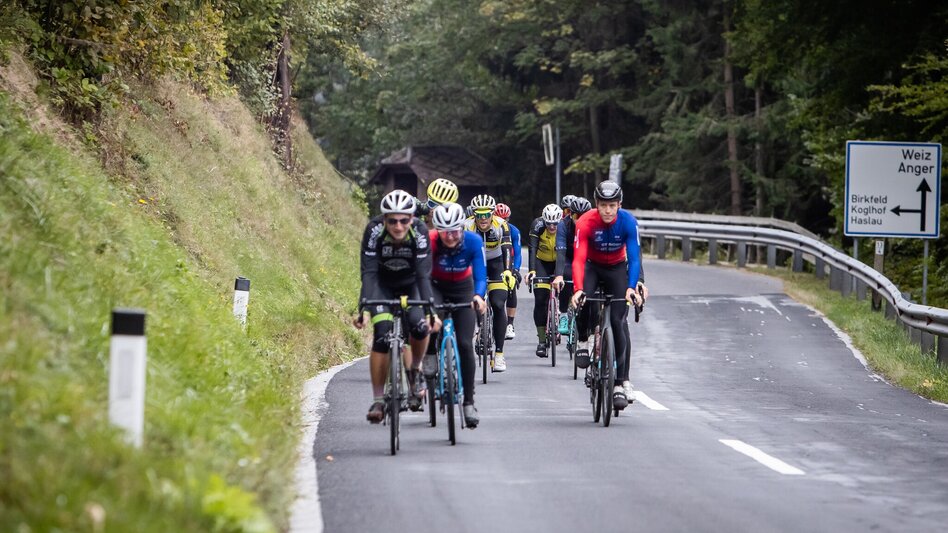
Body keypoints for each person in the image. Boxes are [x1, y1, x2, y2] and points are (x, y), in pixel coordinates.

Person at [354, 189, 434, 423]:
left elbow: (423, 275)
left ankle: (415, 370)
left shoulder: (420, 232)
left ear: (412, 219)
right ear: (384, 220)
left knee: (420, 327)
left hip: (412, 285)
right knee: (381, 336)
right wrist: (364, 308)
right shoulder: (374, 230)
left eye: (404, 220)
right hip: (382, 285)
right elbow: (368, 273)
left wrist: (430, 311)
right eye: (392, 221)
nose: (398, 226)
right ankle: (378, 400)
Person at [570, 181, 645, 410]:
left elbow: (634, 258)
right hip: (592, 266)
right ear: (597, 204)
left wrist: (632, 287)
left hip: (616, 268)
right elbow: (579, 259)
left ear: (619, 205)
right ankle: (583, 339)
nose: (608, 210)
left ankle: (620, 383)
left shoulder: (628, 222)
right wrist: (578, 289)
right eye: (603, 205)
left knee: (618, 322)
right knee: (584, 301)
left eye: (612, 205)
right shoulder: (585, 222)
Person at [427, 202, 488, 427]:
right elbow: (422, 276)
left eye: (455, 231)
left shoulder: (473, 241)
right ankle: (431, 353)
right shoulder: (431, 241)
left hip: (463, 288)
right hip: (436, 287)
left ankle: (469, 403)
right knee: (433, 322)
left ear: (462, 228)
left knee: (464, 344)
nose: (450, 237)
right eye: (445, 232)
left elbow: (481, 275)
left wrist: (479, 296)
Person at [465, 194, 515, 372]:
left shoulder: (501, 225)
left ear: (492, 214)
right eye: (479, 214)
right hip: (474, 262)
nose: (483, 218)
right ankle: (479, 329)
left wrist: (508, 271)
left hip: (496, 263)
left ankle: (499, 354)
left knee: (498, 303)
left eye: (487, 214)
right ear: (474, 214)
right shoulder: (467, 226)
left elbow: (507, 248)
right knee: (473, 300)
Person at [524, 204, 563, 357]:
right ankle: (541, 340)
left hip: (560, 261)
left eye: (555, 224)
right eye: (549, 223)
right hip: (542, 262)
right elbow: (532, 248)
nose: (552, 226)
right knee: (540, 299)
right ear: (544, 221)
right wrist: (532, 271)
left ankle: (563, 314)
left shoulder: (564, 227)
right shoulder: (537, 225)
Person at [552, 197, 591, 334]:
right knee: (566, 277)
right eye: (575, 216)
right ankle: (563, 314)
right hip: (569, 256)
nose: (579, 219)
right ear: (569, 214)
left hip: (586, 257)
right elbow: (560, 253)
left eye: (583, 216)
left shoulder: (594, 224)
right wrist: (558, 276)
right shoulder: (563, 225)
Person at [494, 203, 522, 340]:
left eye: (506, 219)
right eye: (499, 218)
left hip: (508, 261)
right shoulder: (490, 229)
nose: (502, 222)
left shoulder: (514, 231)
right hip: (493, 261)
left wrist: (515, 269)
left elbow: (517, 253)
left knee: (511, 286)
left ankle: (510, 324)